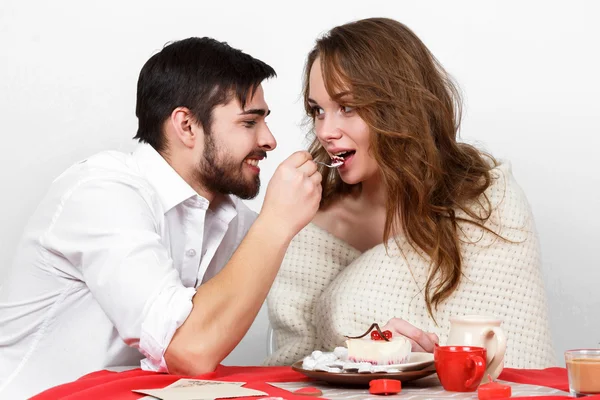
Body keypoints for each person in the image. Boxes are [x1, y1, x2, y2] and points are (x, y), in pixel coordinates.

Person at [0, 37, 322, 398]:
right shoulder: (101, 192)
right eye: (249, 123)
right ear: (186, 126)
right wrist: (276, 222)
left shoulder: (236, 221)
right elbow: (189, 349)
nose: (270, 140)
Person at [265, 18, 555, 368]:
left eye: (348, 107)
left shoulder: (487, 201)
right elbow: (296, 370)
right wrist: (367, 352)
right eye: (317, 110)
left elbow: (520, 358)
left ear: (400, 107)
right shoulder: (307, 227)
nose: (326, 131)